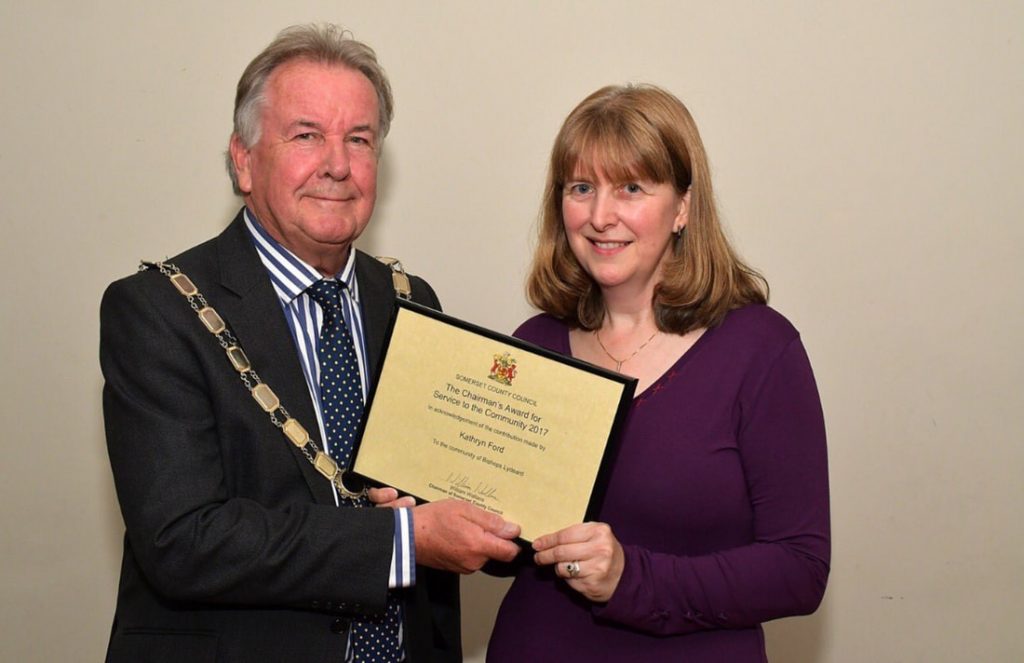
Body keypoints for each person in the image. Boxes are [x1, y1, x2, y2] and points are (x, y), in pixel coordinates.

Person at [100, 24, 520, 663]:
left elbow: (446, 493)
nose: (338, 164)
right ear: (243, 161)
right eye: (306, 136)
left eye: (360, 139)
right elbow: (183, 540)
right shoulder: (159, 310)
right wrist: (402, 540)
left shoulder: (412, 301)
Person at [486, 84, 830, 661]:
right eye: (581, 188)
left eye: (631, 188)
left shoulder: (759, 350)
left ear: (684, 207)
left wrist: (632, 579)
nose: (600, 216)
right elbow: (515, 546)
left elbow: (800, 568)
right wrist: (441, 509)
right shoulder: (534, 345)